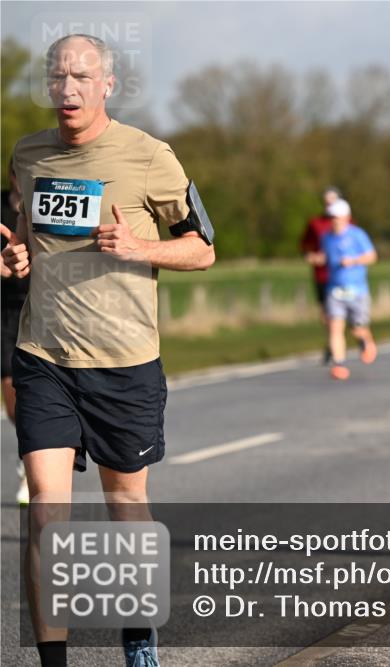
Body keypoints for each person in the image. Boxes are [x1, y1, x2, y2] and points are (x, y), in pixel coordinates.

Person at [2, 34, 215, 667]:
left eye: (82, 77)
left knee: (127, 505)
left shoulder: (150, 157)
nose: (68, 89)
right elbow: (23, 238)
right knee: (46, 510)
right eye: (58, 77)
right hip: (43, 355)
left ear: (107, 85)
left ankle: (139, 630)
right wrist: (14, 257)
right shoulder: (28, 155)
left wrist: (141, 248)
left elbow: (203, 249)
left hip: (124, 362)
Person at [321, 199, 378, 380]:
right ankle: (339, 364)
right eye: (331, 217)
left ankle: (364, 341)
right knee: (335, 327)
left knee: (357, 328)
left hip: (357, 289)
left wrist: (353, 261)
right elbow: (325, 258)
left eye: (336, 217)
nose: (333, 221)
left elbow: (371, 256)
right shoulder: (326, 238)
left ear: (346, 217)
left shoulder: (357, 235)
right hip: (335, 289)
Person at [1, 178, 30, 505]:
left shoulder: (42, 206)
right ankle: (29, 454)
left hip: (39, 306)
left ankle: (36, 456)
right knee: (13, 404)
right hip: (5, 315)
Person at [301, 186, 342, 364]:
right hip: (321, 275)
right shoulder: (315, 223)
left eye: (332, 202)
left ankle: (337, 342)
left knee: (339, 313)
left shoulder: (348, 222)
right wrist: (311, 256)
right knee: (326, 314)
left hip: (341, 276)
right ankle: (331, 343)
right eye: (326, 203)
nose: (329, 206)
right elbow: (305, 245)